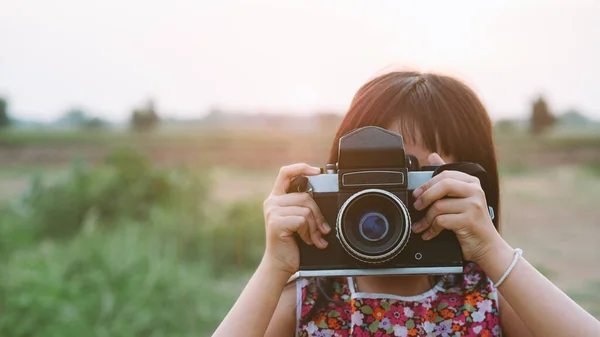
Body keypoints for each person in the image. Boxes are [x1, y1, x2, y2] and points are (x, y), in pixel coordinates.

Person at [212, 71, 600, 337]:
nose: (384, 203)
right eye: (375, 177)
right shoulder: (310, 298)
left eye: (413, 178)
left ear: (471, 188)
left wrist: (492, 251)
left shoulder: (486, 294)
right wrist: (274, 267)